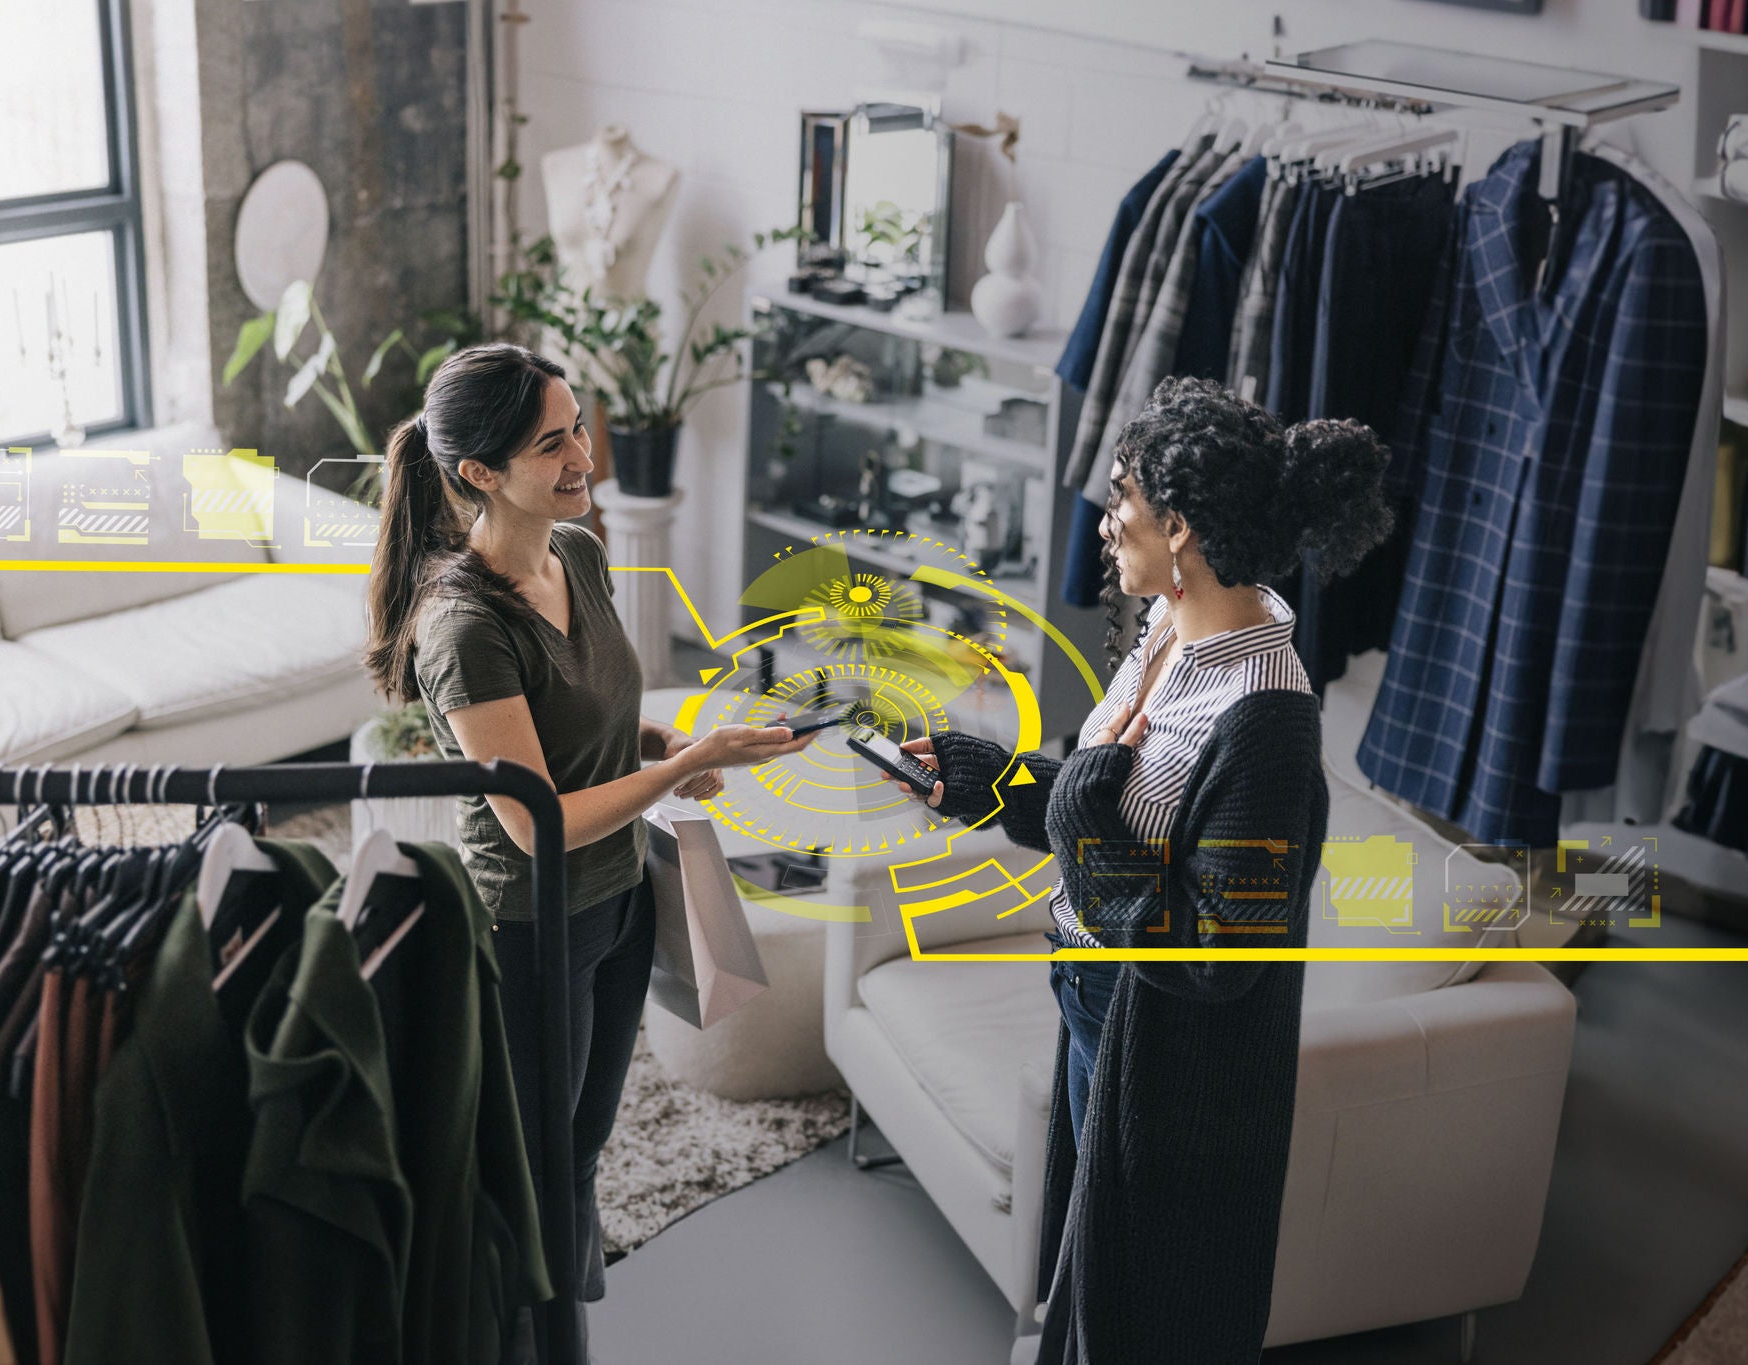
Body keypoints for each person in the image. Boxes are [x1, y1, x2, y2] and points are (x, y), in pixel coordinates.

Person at [889, 376, 1394, 1363]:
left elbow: (1216, 954)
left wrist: (1078, 809)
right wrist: (981, 780)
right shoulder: (1165, 631)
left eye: (1119, 496)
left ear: (1178, 526)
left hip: (1171, 1059)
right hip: (1096, 1008)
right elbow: (1106, 803)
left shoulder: (1265, 716)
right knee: (1084, 1286)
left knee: (1144, 1319)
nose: (1104, 518)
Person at [363, 342, 813, 1336]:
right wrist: (668, 770)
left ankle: (555, 1322)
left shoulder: (578, 554)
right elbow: (534, 824)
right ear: (478, 472)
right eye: (550, 444)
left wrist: (674, 746)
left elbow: (601, 725)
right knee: (524, 1174)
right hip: (533, 929)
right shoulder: (464, 628)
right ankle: (520, 1335)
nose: (583, 458)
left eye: (579, 428)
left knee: (577, 1151)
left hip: (616, 902)